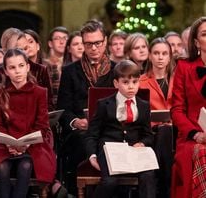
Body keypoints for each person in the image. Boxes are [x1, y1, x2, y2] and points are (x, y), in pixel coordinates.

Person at [0, 49, 56, 198]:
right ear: (6, 71)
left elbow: (42, 124)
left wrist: (25, 144)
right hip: (4, 144)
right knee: (3, 167)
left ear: (27, 67)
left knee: (25, 165)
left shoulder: (39, 92)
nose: (18, 71)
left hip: (32, 144)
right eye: (12, 67)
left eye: (21, 66)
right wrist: (9, 144)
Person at [57, 19, 115, 195]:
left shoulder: (117, 70)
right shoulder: (70, 71)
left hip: (111, 129)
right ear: (83, 44)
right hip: (80, 131)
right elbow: (63, 107)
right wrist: (75, 121)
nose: (94, 48)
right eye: (88, 44)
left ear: (105, 42)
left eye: (97, 43)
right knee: (83, 141)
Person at [85, 60, 156, 198]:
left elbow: (148, 134)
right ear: (116, 83)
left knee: (149, 176)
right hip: (110, 151)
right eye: (126, 82)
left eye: (135, 82)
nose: (131, 87)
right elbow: (92, 134)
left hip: (134, 152)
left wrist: (142, 143)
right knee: (110, 181)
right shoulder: (104, 104)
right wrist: (92, 155)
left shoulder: (143, 106)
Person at [171, 16, 206, 198]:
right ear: (196, 42)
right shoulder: (184, 67)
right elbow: (176, 111)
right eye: (205, 34)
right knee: (201, 152)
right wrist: (196, 134)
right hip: (191, 137)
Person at [139, 37, 175, 198]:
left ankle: (161, 183)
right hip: (152, 132)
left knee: (167, 130)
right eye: (156, 53)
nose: (160, 57)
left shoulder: (178, 79)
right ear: (150, 56)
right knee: (163, 131)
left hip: (177, 129)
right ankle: (165, 185)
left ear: (170, 57)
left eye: (164, 53)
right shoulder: (140, 82)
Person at [44, 26, 69, 109]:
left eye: (65, 38)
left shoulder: (74, 65)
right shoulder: (44, 66)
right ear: (50, 43)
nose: (62, 42)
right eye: (57, 38)